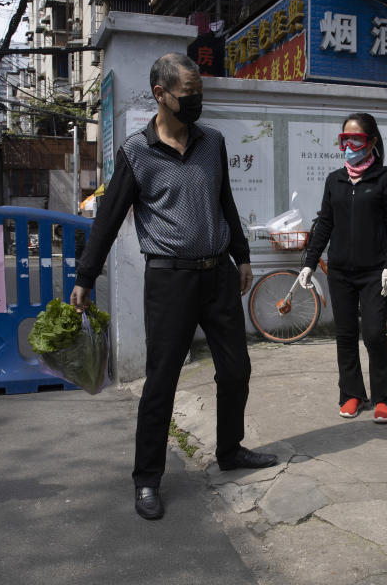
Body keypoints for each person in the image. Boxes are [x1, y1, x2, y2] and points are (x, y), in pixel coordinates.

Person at [71, 53, 277, 521]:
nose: (197, 102)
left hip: (218, 273)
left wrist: (242, 256)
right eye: (188, 95)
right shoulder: (136, 153)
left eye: (199, 93)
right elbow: (107, 219)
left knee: (237, 369)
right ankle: (147, 479)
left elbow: (226, 199)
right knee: (161, 381)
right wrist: (86, 276)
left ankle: (230, 450)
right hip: (169, 278)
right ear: (160, 94)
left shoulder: (213, 142)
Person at [299, 113, 387, 423]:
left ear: (371, 142)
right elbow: (325, 223)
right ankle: (352, 394)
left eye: (356, 140)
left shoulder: (384, 179)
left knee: (373, 334)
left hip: (374, 273)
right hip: (340, 271)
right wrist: (308, 263)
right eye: (345, 140)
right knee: (345, 335)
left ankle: (384, 397)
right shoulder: (335, 179)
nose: (349, 145)